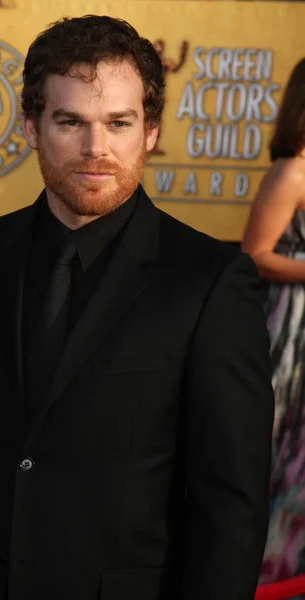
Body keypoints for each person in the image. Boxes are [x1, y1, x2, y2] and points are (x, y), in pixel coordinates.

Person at [0, 15, 274, 600]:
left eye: (119, 123)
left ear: (149, 131)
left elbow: (230, 504)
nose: (95, 148)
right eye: (70, 120)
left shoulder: (209, 281)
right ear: (31, 127)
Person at [242, 57, 305, 586]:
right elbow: (254, 254)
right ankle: (267, 571)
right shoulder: (291, 172)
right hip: (290, 330)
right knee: (280, 446)